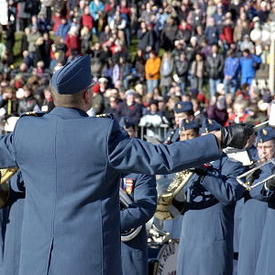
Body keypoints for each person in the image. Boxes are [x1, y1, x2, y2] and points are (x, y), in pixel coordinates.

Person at [0, 56, 252, 275]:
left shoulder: (26, 130)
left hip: (35, 260)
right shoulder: (101, 133)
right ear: (87, 95)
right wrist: (221, 139)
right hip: (88, 261)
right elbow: (163, 158)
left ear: (51, 97)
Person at [176, 119, 246, 275]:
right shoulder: (189, 163)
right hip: (189, 240)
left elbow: (229, 195)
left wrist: (204, 173)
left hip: (212, 242)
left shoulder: (234, 165)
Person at [237, 126, 275, 275]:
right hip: (253, 228)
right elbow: (255, 191)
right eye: (260, 147)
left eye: (267, 147)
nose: (263, 152)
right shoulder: (254, 166)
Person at [120, 124, 157, 275]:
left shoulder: (141, 171)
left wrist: (106, 221)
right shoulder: (97, 171)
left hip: (128, 250)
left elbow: (144, 208)